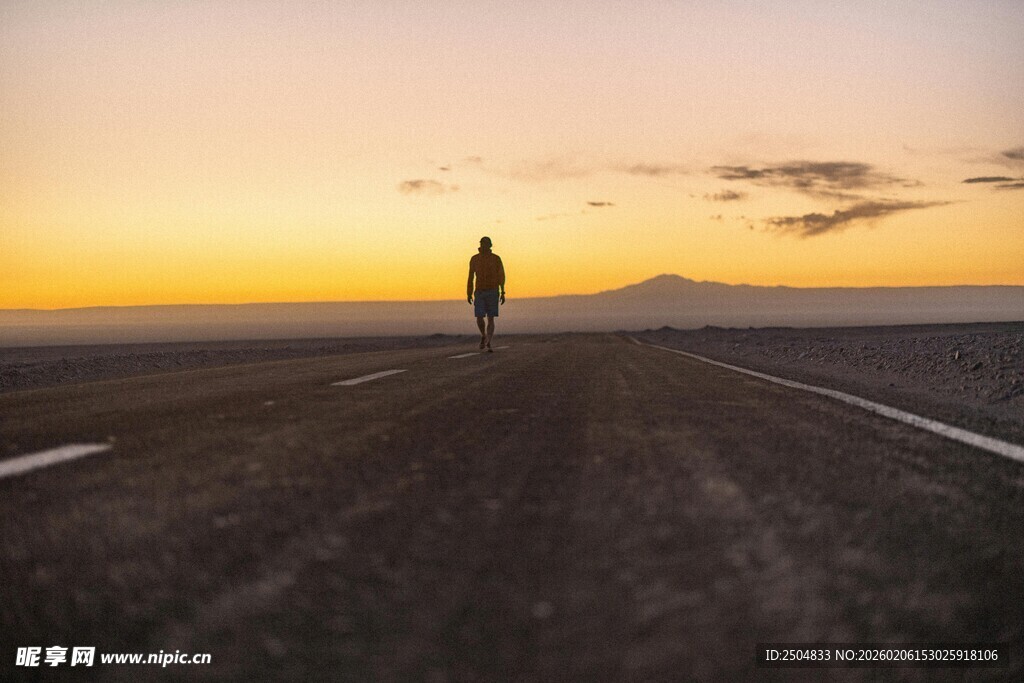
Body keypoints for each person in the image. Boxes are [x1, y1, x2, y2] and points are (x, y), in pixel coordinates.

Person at [467, 236, 506, 352]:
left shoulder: (496, 259)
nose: (485, 246)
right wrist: (469, 293)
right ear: (480, 245)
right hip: (479, 291)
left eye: (487, 244)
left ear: (490, 245)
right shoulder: (474, 259)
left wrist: (502, 291)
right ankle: (484, 335)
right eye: (483, 243)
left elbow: (501, 276)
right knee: (479, 316)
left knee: (491, 318)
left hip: (493, 291)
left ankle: (489, 340)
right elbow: (470, 277)